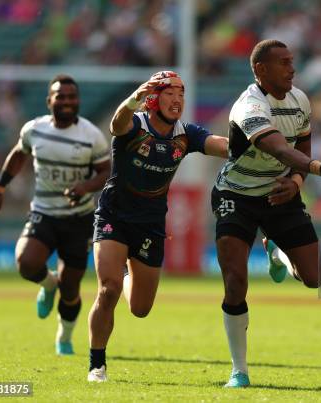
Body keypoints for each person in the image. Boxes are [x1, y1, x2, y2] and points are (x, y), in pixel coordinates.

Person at [212, 39, 321, 388]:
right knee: (235, 280)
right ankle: (239, 371)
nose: (293, 68)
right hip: (236, 194)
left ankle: (275, 248)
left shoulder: (300, 99)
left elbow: (301, 145)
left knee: (314, 278)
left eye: (293, 61)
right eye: (284, 62)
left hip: (279, 192)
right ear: (261, 69)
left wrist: (298, 180)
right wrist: (317, 169)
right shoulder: (249, 106)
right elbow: (276, 146)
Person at [87, 71, 229, 382]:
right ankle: (97, 364)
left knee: (140, 308)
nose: (177, 99)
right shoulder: (134, 123)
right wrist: (133, 99)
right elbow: (116, 124)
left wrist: (255, 146)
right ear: (153, 98)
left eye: (181, 93)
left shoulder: (185, 134)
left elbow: (221, 145)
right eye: (169, 93)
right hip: (114, 216)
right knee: (108, 290)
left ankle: (125, 270)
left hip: (150, 225)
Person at [0, 74, 111, 355]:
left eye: (71, 97)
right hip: (43, 212)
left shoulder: (91, 135)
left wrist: (85, 187)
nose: (66, 102)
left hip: (79, 218)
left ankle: (64, 338)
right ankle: (48, 282)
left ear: (77, 100)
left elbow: (105, 171)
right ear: (49, 100)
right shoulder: (35, 129)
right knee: (26, 263)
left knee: (71, 288)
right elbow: (19, 154)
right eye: (60, 97)